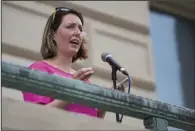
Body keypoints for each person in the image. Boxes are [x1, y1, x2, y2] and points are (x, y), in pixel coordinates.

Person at [22, 7, 124, 118]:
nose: (77, 33)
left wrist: (104, 103)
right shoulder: (39, 69)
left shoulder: (84, 80)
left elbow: (93, 122)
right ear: (53, 35)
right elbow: (36, 117)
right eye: (70, 27)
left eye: (80, 29)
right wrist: (71, 92)